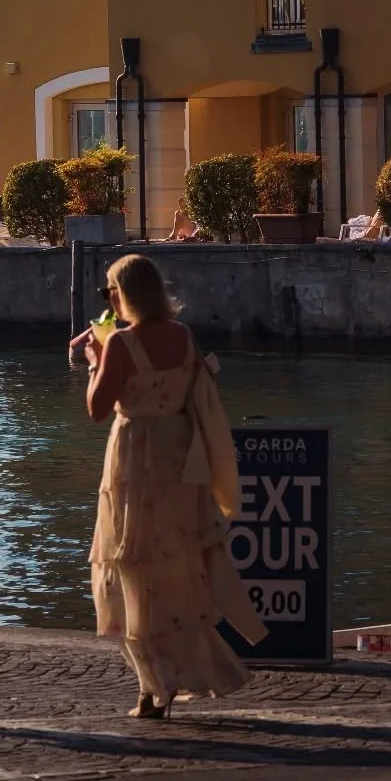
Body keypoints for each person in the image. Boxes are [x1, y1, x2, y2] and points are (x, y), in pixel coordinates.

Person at [84, 252, 265, 718]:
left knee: (134, 567)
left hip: (135, 459)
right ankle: (171, 679)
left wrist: (95, 357)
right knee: (177, 566)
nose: (110, 300)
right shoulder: (184, 337)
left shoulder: (122, 344)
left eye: (111, 291)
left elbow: (98, 407)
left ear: (123, 295)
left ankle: (153, 686)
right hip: (181, 461)